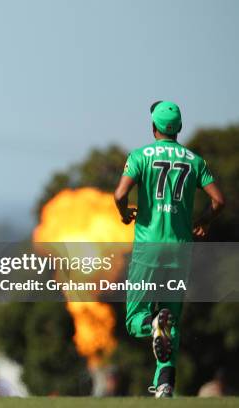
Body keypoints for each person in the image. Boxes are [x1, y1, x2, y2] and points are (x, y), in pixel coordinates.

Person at [114, 101, 225, 398]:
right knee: (170, 319)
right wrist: (204, 220)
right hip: (180, 250)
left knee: (136, 318)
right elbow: (219, 201)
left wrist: (124, 214)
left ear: (153, 127)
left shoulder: (140, 156)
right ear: (179, 128)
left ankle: (152, 323)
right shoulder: (194, 160)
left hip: (148, 248)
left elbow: (120, 193)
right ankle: (165, 384)